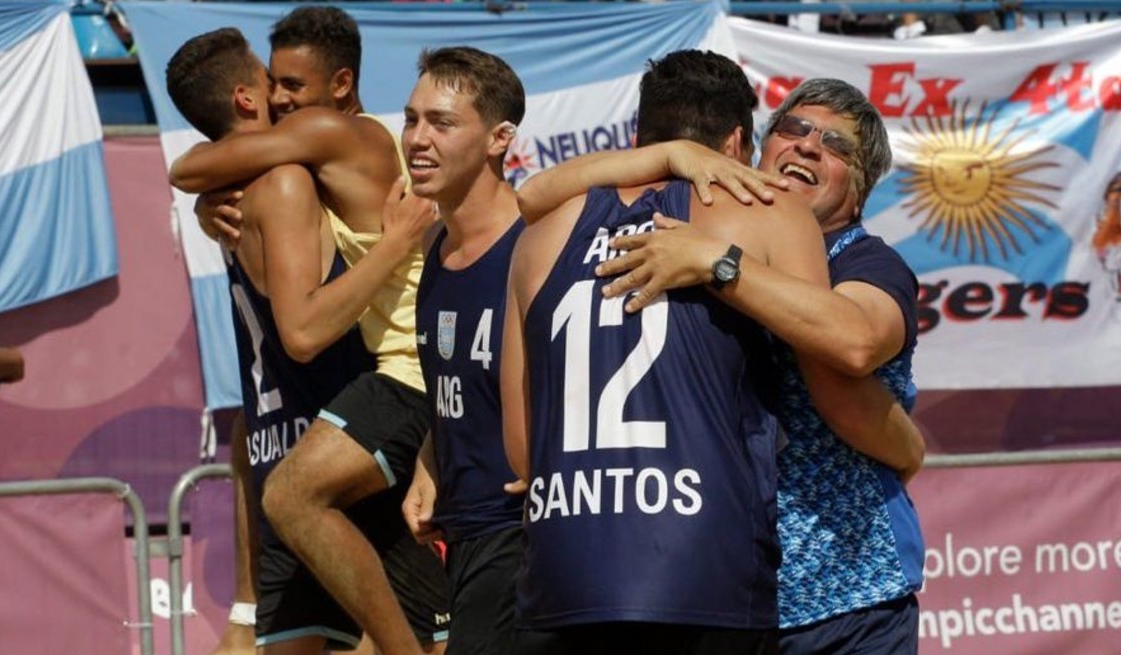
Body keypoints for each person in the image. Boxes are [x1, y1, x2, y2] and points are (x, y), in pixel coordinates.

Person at [518, 76, 926, 654]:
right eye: (795, 129)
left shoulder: (865, 261)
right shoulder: (695, 225)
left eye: (836, 146)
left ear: (858, 192)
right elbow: (533, 195)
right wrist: (667, 153)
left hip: (847, 590)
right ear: (752, 149)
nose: (809, 146)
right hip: (724, 588)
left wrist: (719, 264)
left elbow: (855, 341)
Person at [167, 13, 451, 654]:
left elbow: (299, 334)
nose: (280, 96)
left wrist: (196, 188)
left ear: (343, 83)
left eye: (289, 82)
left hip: (405, 380)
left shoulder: (323, 143)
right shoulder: (278, 181)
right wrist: (204, 201)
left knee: (294, 498)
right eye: (274, 83)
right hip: (332, 412)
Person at [397, 46, 527, 655]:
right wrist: (430, 457)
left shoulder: (539, 246)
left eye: (442, 123)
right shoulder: (433, 245)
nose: (417, 138)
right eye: (411, 118)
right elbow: (463, 381)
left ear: (500, 138)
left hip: (525, 536)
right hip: (462, 537)